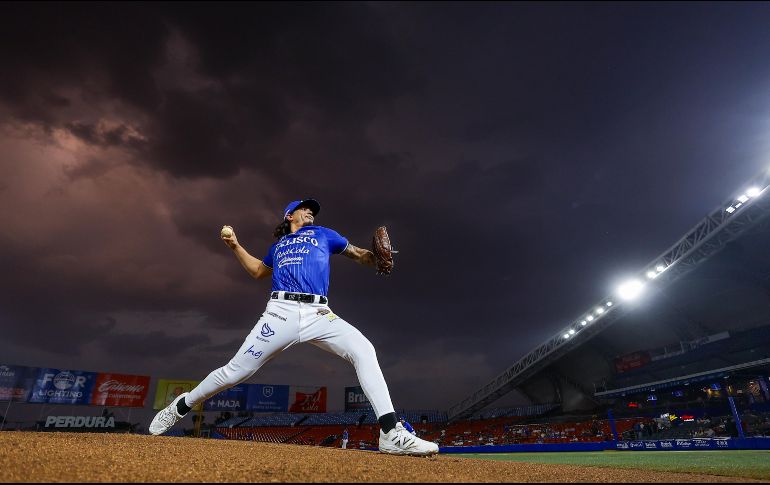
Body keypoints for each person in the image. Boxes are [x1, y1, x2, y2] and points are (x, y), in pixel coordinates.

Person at [149, 199, 438, 456]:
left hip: (319, 313)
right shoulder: (278, 247)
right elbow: (257, 271)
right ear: (289, 216)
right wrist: (235, 246)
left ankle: (390, 432)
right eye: (304, 208)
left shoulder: (325, 234)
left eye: (312, 210)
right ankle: (180, 406)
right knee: (234, 372)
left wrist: (377, 259)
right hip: (280, 312)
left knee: (363, 349)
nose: (310, 211)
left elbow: (358, 254)